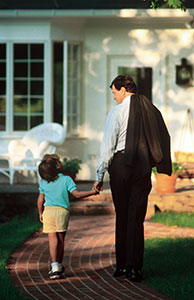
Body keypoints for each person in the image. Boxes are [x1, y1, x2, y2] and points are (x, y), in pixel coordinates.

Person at [93, 75, 172, 282]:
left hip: (120, 167)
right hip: (142, 168)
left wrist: (99, 174)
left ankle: (122, 267)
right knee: (136, 219)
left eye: (114, 93)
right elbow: (163, 136)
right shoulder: (150, 110)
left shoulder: (117, 112)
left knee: (123, 215)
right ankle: (135, 268)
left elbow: (108, 146)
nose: (114, 97)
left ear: (122, 90)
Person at [37, 154, 98, 280]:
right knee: (60, 240)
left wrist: (40, 213)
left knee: (52, 241)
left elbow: (40, 200)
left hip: (48, 212)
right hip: (61, 212)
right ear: (57, 167)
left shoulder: (43, 183)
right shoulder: (66, 179)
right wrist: (92, 192)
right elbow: (77, 195)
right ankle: (59, 266)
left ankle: (54, 267)